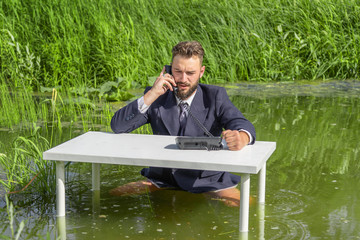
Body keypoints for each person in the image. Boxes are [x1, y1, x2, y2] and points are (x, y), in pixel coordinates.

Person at [110, 41, 256, 206]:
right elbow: (118, 126)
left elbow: (242, 123)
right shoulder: (156, 96)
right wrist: (151, 95)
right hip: (163, 179)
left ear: (201, 72)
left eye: (190, 73)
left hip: (207, 180)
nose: (183, 79)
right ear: (169, 69)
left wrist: (242, 137)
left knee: (246, 204)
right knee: (113, 195)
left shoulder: (215, 96)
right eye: (177, 71)